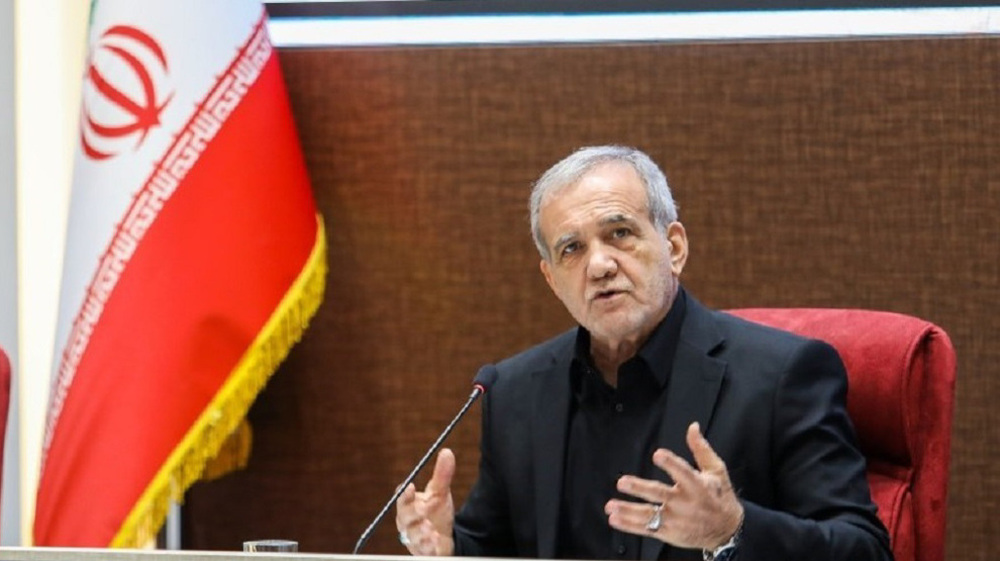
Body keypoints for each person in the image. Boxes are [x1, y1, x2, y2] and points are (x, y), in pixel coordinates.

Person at [395, 145, 892, 561]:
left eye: (620, 233)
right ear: (551, 280)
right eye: (572, 249)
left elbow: (865, 550)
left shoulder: (783, 374)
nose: (600, 265)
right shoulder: (515, 392)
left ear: (674, 246)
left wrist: (732, 532)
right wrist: (448, 549)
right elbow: (494, 548)